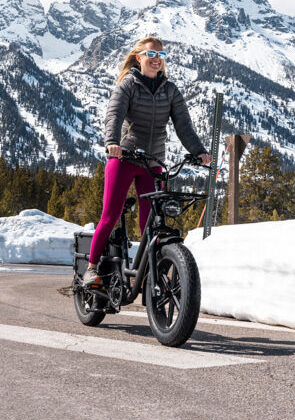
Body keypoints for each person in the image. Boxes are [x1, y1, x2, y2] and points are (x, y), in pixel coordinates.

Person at [84, 36, 212, 287]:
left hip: (153, 162)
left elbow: (184, 127)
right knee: (109, 216)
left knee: (151, 222)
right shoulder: (127, 86)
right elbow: (115, 115)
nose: (157, 60)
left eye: (161, 56)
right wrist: (113, 143)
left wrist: (199, 151)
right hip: (124, 158)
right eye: (151, 55)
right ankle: (91, 268)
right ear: (139, 57)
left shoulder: (170, 90)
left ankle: (149, 272)